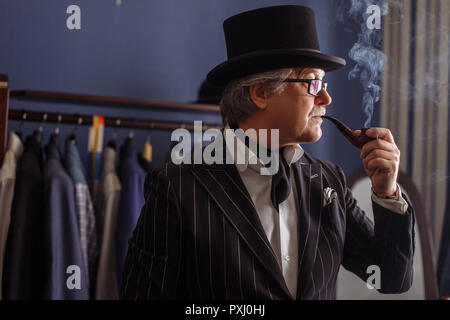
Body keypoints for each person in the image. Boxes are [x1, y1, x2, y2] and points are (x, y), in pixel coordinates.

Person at [120, 5, 414, 300]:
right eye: (312, 82)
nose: (326, 97)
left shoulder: (328, 181)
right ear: (261, 93)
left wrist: (387, 192)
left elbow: (390, 277)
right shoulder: (178, 186)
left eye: (323, 83)